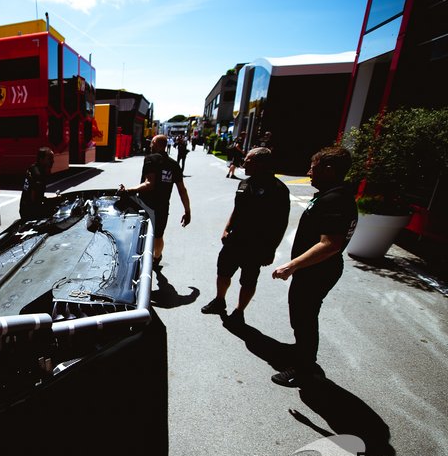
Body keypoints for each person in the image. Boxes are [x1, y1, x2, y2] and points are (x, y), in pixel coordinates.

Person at [270, 146, 358, 387]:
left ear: (329, 170)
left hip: (317, 272)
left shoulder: (336, 200)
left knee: (304, 318)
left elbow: (330, 244)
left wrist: (292, 266)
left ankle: (304, 368)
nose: (309, 172)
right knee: (302, 317)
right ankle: (302, 353)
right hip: (313, 270)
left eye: (314, 167)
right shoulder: (332, 194)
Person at [200, 147, 290, 326]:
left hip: (257, 245)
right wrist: (226, 228)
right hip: (234, 240)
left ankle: (239, 311)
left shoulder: (278, 189)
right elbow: (237, 209)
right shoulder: (244, 184)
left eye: (248, 160)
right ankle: (220, 300)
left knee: (248, 280)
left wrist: (271, 249)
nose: (244, 162)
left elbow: (281, 223)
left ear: (260, 164)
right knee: (223, 271)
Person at [119, 134, 191, 266]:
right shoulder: (174, 165)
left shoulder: (150, 159)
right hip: (162, 207)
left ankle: (140, 261)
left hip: (146, 205)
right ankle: (157, 257)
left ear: (157, 144)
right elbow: (182, 190)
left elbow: (149, 184)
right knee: (158, 236)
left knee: (141, 233)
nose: (150, 145)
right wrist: (187, 211)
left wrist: (128, 191)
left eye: (152, 143)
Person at [19, 147, 60, 220]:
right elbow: (34, 200)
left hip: (24, 209)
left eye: (52, 158)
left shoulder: (33, 167)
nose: (52, 161)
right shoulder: (38, 175)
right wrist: (53, 201)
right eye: (49, 159)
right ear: (41, 159)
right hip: (30, 212)